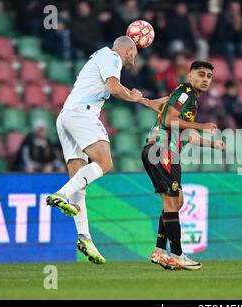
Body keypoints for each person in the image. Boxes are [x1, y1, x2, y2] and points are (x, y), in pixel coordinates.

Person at [46, 36, 167, 264]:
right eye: (136, 53)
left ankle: (85, 238)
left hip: (66, 116)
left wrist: (147, 102)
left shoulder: (101, 57)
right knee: (105, 163)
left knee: (79, 181)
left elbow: (117, 88)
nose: (135, 58)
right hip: (83, 113)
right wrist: (136, 99)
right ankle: (60, 195)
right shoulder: (112, 57)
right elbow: (114, 87)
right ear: (129, 49)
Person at [142, 61, 225, 271]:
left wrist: (212, 144)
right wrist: (202, 126)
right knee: (172, 203)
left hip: (163, 151)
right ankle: (178, 255)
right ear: (190, 76)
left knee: (176, 202)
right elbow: (170, 121)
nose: (205, 79)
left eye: (209, 76)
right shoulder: (185, 92)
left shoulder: (189, 97)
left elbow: (185, 134)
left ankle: (160, 251)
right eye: (201, 74)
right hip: (162, 151)